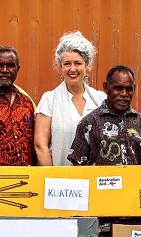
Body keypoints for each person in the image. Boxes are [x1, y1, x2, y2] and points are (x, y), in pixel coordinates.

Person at [34, 31, 106, 166]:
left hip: (96, 179)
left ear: (87, 65)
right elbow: (40, 146)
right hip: (61, 181)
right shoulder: (49, 100)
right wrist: (53, 180)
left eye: (77, 63)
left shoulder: (101, 100)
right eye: (67, 63)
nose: (72, 69)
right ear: (60, 66)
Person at [68, 66, 141, 166]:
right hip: (100, 181)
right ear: (106, 87)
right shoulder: (89, 123)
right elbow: (77, 167)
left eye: (129, 89)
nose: (124, 94)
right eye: (118, 88)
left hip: (136, 181)